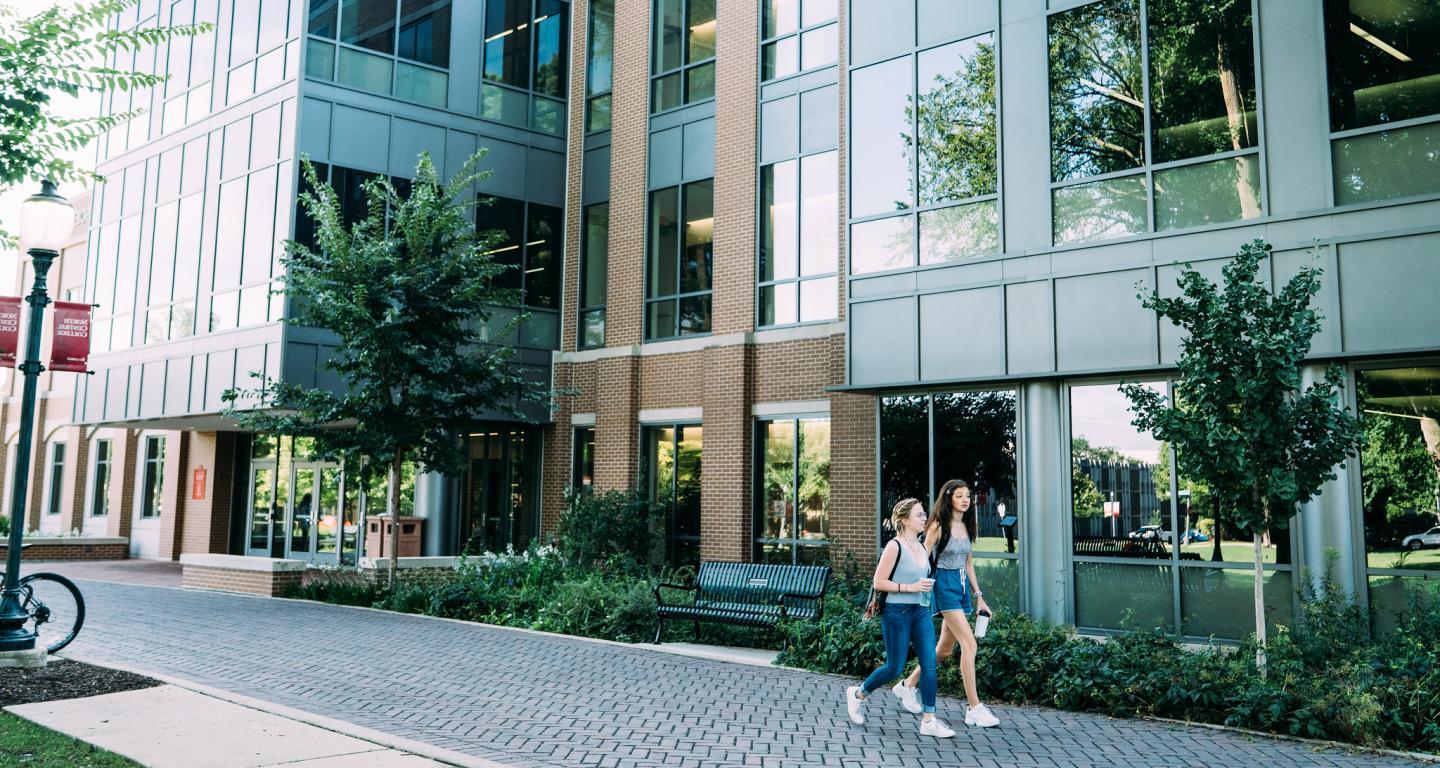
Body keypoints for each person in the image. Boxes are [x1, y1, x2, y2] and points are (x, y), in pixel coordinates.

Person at [844, 498, 955, 738]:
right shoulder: (895, 546)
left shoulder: (923, 547)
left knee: (929, 665)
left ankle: (929, 719)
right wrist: (912, 587)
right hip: (897, 613)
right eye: (919, 515)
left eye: (924, 514)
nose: (924, 518)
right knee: (894, 667)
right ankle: (858, 694)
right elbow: (878, 582)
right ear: (904, 520)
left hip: (920, 612)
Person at [895, 479, 1001, 728]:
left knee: (944, 650)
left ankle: (907, 684)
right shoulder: (937, 526)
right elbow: (921, 555)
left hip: (962, 587)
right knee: (970, 644)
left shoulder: (967, 525)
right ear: (949, 498)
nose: (966, 500)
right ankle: (974, 708)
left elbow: (968, 563)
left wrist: (979, 597)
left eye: (968, 496)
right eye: (960, 496)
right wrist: (914, 589)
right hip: (943, 586)